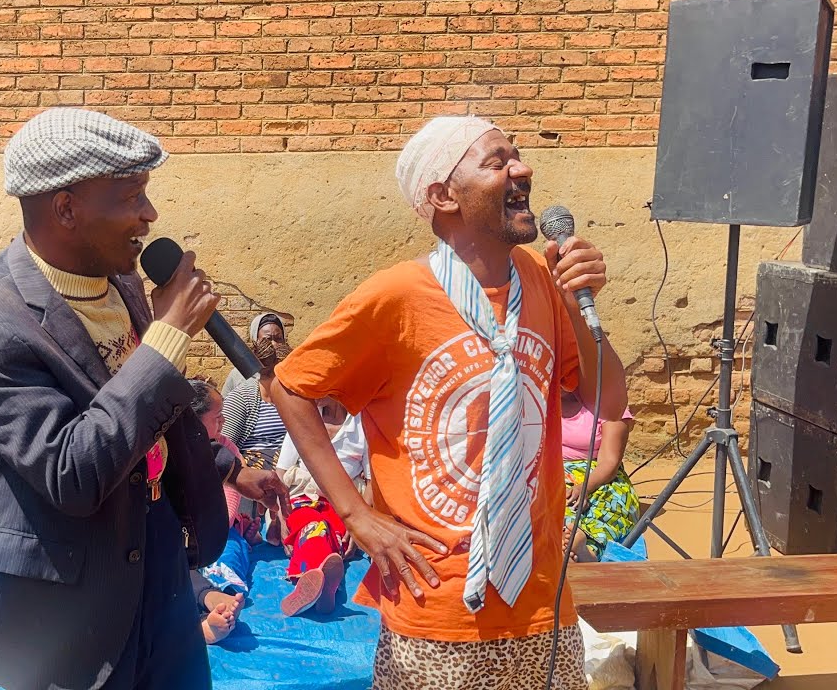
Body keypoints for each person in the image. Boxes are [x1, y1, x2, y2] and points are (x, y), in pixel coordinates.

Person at [272, 116, 627, 690]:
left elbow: (606, 398)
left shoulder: (541, 279)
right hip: (436, 604)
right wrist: (356, 516)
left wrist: (578, 303)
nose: (522, 169)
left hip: (542, 598)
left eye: (518, 156)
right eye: (495, 162)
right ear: (442, 195)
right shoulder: (397, 297)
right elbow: (290, 388)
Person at [0, 108, 289, 690]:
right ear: (66, 208)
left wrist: (229, 469)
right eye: (131, 196)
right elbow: (72, 473)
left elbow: (154, 426)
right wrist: (165, 340)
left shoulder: (124, 283)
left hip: (156, 567)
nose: (149, 215)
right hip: (60, 609)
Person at [273, 398, 370, 617]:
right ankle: (325, 583)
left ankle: (312, 580)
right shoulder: (301, 417)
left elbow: (372, 482)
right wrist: (279, 518)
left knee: (334, 532)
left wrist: (359, 525)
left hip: (344, 503)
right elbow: (280, 476)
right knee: (313, 526)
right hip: (300, 499)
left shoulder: (362, 423)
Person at [188, 378, 248, 644]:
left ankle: (221, 605)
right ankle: (203, 620)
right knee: (174, 570)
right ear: (194, 420)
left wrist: (216, 530)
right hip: (185, 532)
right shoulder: (176, 450)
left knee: (229, 556)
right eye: (217, 417)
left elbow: (230, 497)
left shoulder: (227, 450)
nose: (223, 422)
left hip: (219, 530)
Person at [559, 390, 638, 562]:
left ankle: (586, 551)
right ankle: (562, 544)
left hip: (597, 474)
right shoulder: (536, 401)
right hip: (554, 469)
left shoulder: (608, 404)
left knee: (607, 503)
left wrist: (585, 487)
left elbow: (610, 462)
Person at [222, 338, 293, 471]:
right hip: (254, 473)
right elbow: (224, 447)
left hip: (292, 470)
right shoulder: (242, 398)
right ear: (278, 373)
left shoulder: (295, 399)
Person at [221, 312, 286, 396]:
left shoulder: (290, 372)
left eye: (279, 339)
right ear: (255, 341)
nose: (274, 344)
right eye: (267, 339)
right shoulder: (239, 375)